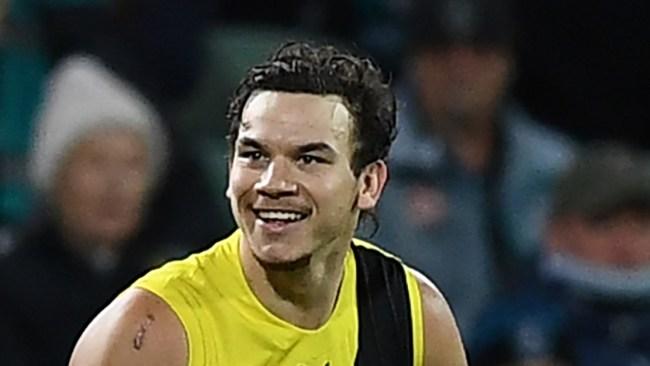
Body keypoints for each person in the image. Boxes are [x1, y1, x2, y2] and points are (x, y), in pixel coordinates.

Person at [68, 42, 467, 365]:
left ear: (368, 183)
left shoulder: (415, 319)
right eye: (254, 155)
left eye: (308, 159)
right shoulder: (149, 334)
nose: (272, 183)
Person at [371, 0, 575, 336]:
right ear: (413, 62)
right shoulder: (367, 163)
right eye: (441, 51)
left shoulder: (556, 169)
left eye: (481, 50)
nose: (461, 68)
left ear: (509, 62)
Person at [0, 55, 170, 365]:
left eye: (132, 165)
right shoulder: (11, 287)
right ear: (55, 178)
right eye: (96, 162)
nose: (115, 185)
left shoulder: (166, 285)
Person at [470, 142, 650, 365]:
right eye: (603, 223)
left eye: (641, 225)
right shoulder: (517, 328)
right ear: (557, 232)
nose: (625, 243)